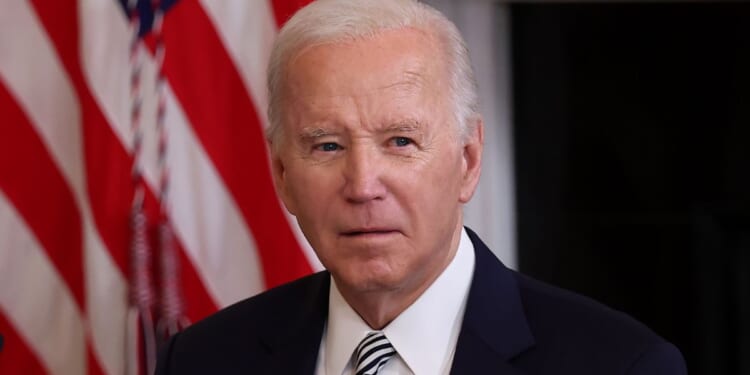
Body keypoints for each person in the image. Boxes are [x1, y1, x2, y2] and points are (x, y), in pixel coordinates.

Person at [155, 0, 687, 374]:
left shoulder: (619, 365)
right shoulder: (203, 360)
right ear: (282, 177)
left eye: (401, 141)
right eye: (327, 146)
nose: (363, 186)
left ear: (468, 161)